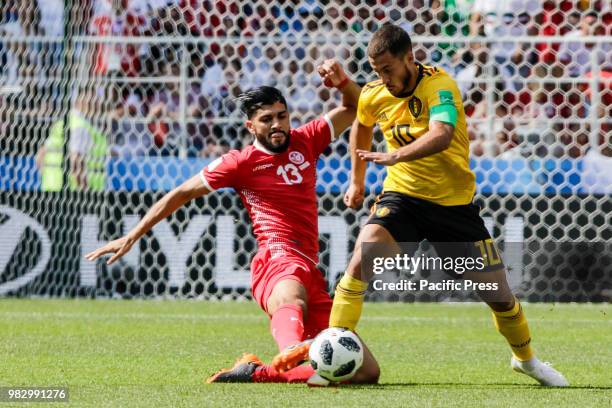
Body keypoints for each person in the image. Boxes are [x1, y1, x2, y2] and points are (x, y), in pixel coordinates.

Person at [272, 24, 569, 387]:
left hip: (452, 207)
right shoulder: (373, 93)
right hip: (403, 198)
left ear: (409, 58)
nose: (383, 78)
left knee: (500, 297)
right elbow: (361, 127)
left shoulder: (440, 85)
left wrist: (396, 154)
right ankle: (329, 361)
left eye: (388, 70)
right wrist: (357, 180)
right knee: (359, 261)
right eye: (376, 71)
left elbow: (442, 135)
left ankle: (526, 360)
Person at [85, 59, 380, 385]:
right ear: (251, 127)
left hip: (311, 267)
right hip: (276, 260)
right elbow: (182, 193)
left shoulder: (306, 140)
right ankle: (292, 346)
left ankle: (257, 373)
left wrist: (342, 82)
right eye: (266, 119)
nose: (277, 124)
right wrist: (133, 235)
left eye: (282, 116)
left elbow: (357, 107)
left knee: (366, 372)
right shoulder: (240, 163)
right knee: (291, 296)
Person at [36, 90, 107, 192]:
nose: (98, 104)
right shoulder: (81, 127)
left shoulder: (61, 123)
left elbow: (40, 156)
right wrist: (84, 192)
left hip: (50, 188)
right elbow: (75, 162)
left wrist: (50, 176)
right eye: (93, 100)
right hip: (73, 192)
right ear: (79, 102)